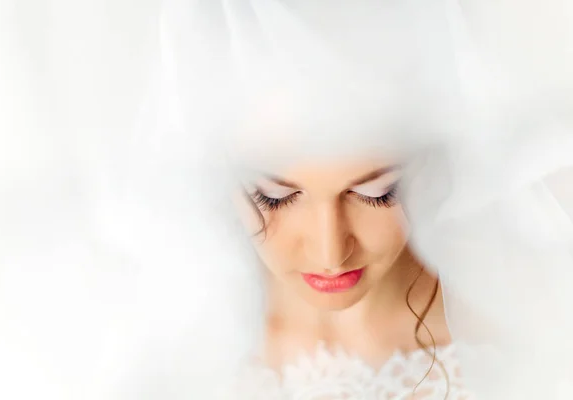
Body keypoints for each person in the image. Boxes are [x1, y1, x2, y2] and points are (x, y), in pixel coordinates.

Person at [102, 1, 573, 399]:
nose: (331, 252)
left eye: (377, 193)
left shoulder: (523, 329)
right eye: (274, 197)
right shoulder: (171, 352)